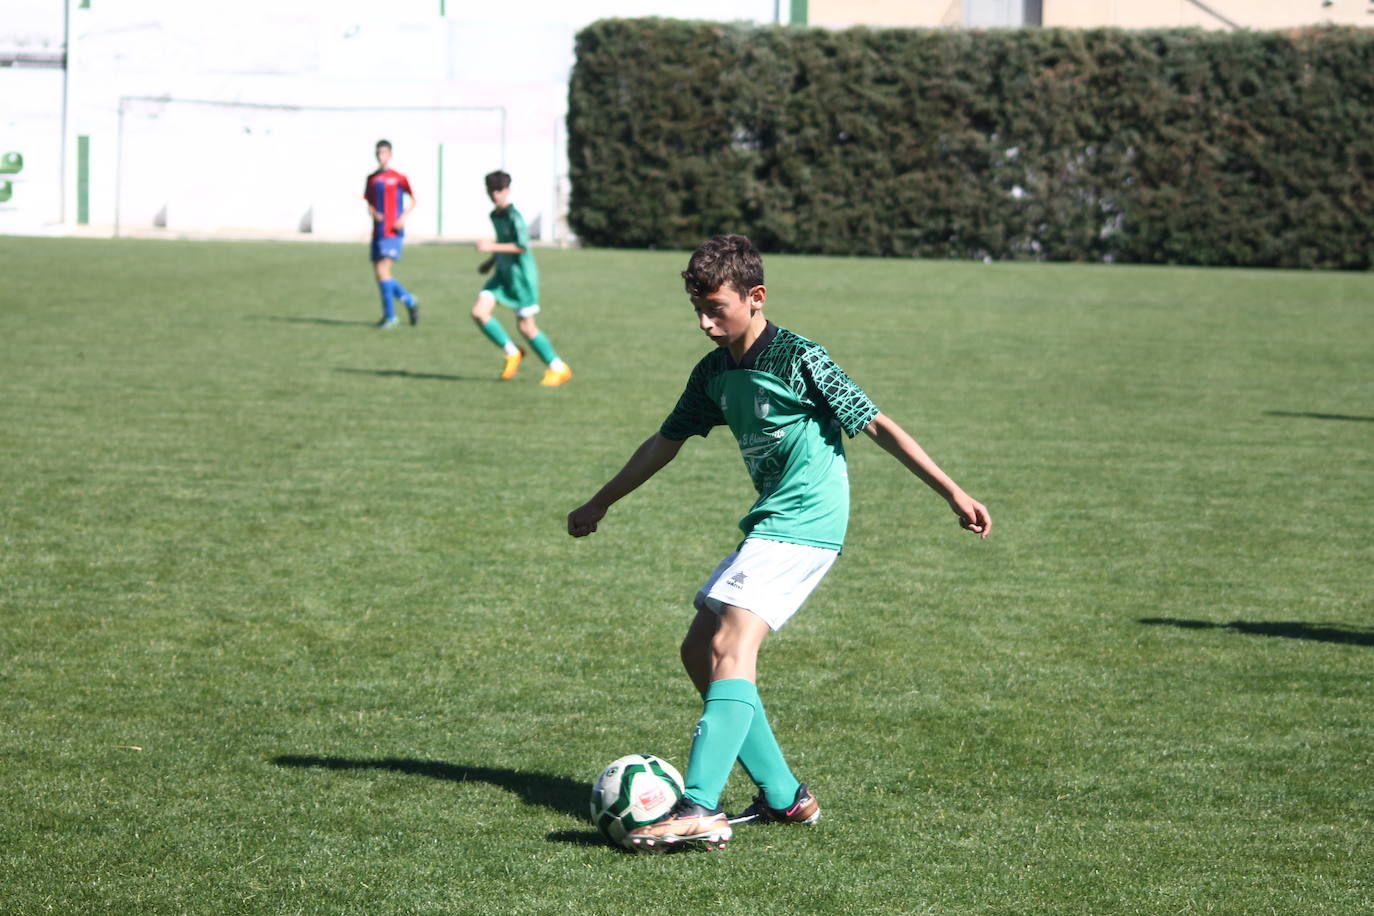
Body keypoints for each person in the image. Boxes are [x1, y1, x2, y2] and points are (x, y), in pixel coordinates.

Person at [566, 234, 991, 853]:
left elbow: (875, 423)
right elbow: (665, 441)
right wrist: (601, 500)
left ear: (755, 297)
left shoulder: (798, 357)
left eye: (718, 308)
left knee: (732, 639)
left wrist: (952, 491)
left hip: (810, 520)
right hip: (772, 521)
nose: (707, 323)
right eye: (698, 311)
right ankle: (784, 795)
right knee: (697, 650)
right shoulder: (712, 372)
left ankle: (699, 807)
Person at [470, 170, 572, 386]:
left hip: (521, 279)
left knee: (526, 327)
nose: (495, 194)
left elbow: (522, 246)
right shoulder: (494, 215)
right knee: (479, 312)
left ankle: (558, 368)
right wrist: (490, 261)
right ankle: (512, 352)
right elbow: (504, 241)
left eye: (499, 190)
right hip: (502, 276)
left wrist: (491, 246)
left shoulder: (514, 216)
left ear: (508, 190)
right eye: (491, 190)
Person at [364, 139, 418, 328]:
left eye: (384, 153)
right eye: (378, 153)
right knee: (379, 274)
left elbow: (413, 200)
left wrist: (402, 217)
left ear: (390, 154)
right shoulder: (372, 178)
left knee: (383, 270)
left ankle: (390, 316)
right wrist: (372, 211)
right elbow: (368, 201)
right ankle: (408, 300)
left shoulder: (399, 177)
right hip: (378, 231)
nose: (381, 156)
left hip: (393, 231)